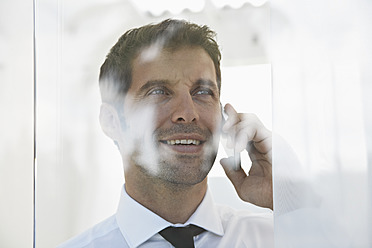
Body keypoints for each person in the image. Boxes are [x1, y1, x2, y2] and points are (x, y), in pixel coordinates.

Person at [58, 18, 273, 248]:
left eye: (202, 91)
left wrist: (284, 197)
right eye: (158, 91)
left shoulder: (277, 237)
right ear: (112, 121)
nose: (188, 113)